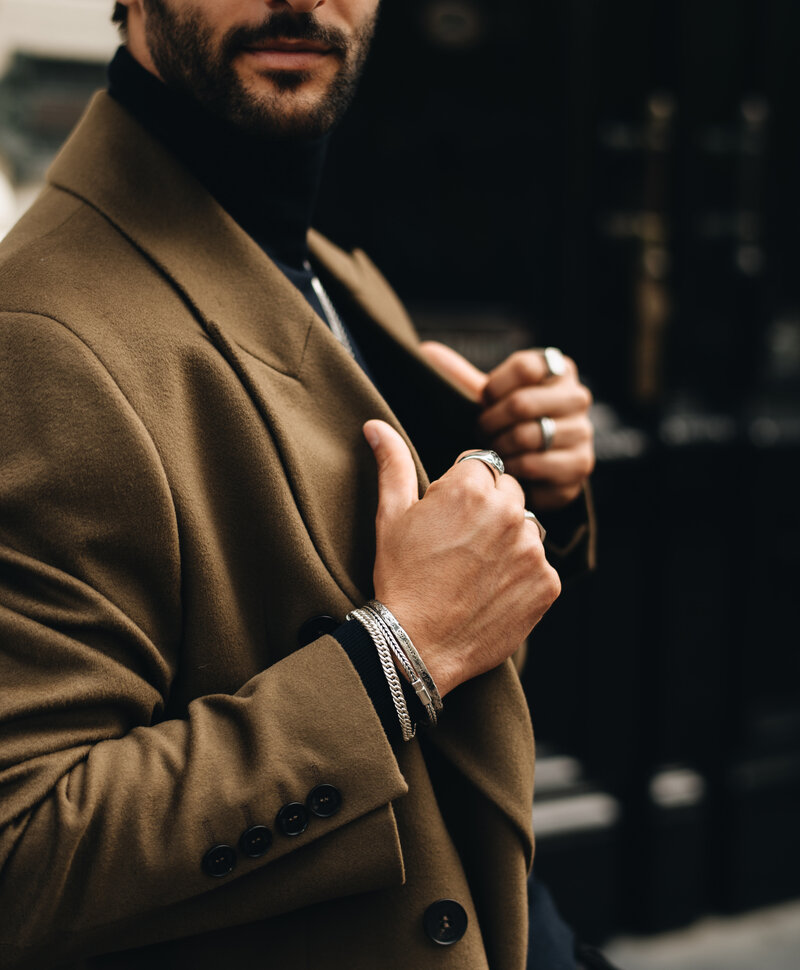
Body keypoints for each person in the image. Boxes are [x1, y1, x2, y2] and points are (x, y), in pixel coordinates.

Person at [0, 2, 602, 967]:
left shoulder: (316, 256)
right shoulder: (37, 342)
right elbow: (23, 858)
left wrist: (521, 474)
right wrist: (397, 657)